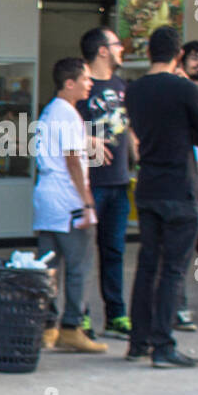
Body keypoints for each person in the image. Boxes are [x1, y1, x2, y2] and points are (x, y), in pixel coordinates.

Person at [125, 27, 198, 368]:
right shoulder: (184, 88)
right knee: (173, 271)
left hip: (147, 185)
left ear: (149, 52)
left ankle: (138, 341)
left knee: (148, 265)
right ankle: (163, 345)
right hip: (179, 188)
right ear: (179, 54)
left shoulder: (134, 91)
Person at [32, 57, 106, 353]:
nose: (91, 84)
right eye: (86, 79)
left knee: (49, 265)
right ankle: (72, 326)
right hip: (68, 198)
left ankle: (47, 325)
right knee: (79, 265)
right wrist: (87, 203)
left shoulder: (51, 111)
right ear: (70, 83)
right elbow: (73, 160)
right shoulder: (69, 114)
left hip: (46, 197)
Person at [77, 27, 133, 339]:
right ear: (102, 50)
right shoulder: (82, 86)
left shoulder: (123, 86)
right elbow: (57, 127)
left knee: (114, 250)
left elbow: (130, 129)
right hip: (90, 182)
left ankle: (116, 314)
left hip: (119, 181)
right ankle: (80, 314)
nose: (121, 49)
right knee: (83, 252)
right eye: (117, 45)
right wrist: (88, 139)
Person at [172, 40, 198, 331]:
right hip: (175, 180)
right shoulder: (176, 89)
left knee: (187, 247)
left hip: (193, 181)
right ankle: (175, 307)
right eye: (197, 58)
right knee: (172, 249)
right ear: (182, 58)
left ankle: (176, 305)